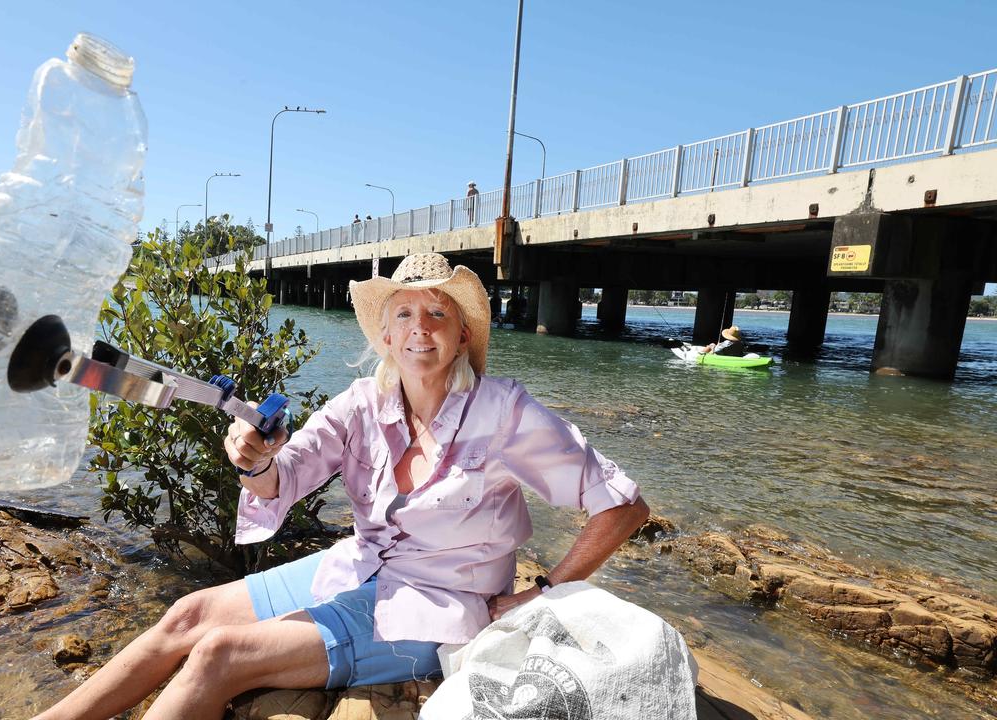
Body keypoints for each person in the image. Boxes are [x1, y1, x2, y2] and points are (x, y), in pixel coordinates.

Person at [33, 252, 649, 720]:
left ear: (463, 334)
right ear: (385, 335)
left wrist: (541, 592)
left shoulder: (505, 412)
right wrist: (255, 461)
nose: (419, 327)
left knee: (221, 654)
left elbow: (621, 505)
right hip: (358, 567)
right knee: (188, 611)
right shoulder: (360, 404)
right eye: (403, 312)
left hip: (436, 609)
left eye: (438, 312)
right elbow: (287, 473)